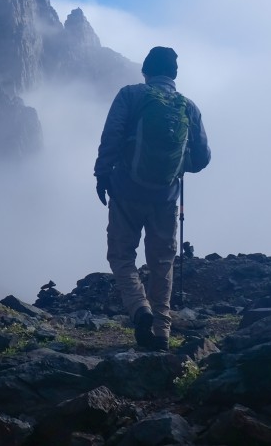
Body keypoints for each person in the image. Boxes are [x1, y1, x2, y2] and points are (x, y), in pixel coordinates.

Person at [94, 47, 210, 351]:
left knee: (121, 255)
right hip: (166, 197)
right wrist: (177, 167)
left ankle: (138, 307)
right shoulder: (188, 107)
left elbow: (112, 136)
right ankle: (162, 333)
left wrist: (102, 175)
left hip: (126, 192)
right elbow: (202, 158)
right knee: (162, 262)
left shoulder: (130, 95)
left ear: (146, 70)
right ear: (173, 75)